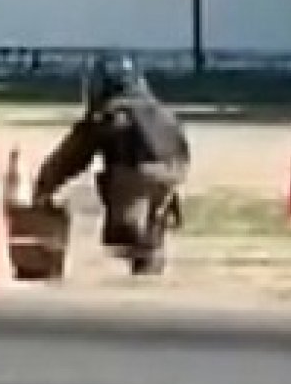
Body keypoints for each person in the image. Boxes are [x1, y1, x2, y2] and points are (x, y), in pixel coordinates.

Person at [33, 55, 190, 276]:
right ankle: (150, 252)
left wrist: (45, 185)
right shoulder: (160, 111)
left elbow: (73, 155)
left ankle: (140, 245)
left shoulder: (112, 113)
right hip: (174, 172)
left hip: (137, 173)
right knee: (149, 224)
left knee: (124, 233)